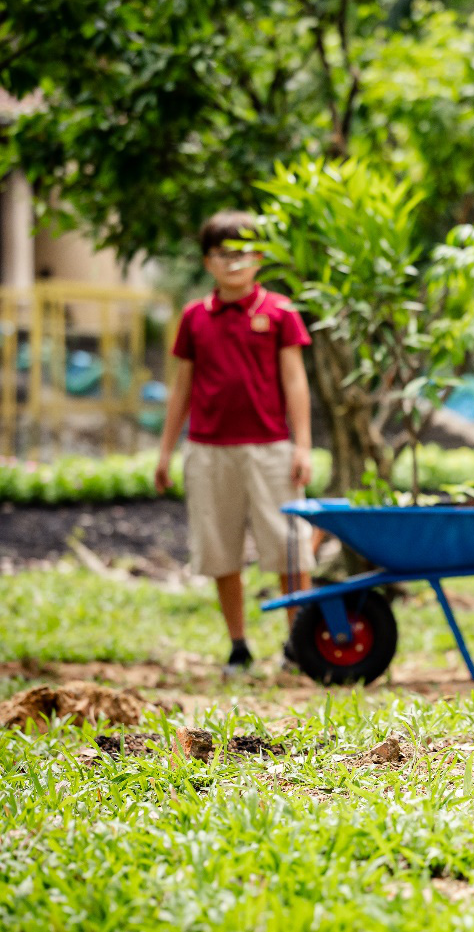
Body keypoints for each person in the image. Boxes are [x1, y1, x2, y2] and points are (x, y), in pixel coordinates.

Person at [154, 210, 316, 676]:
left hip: (271, 449)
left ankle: (298, 644)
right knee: (221, 550)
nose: (233, 262)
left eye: (243, 252)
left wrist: (302, 445)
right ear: (208, 262)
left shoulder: (280, 312)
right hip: (208, 451)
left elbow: (295, 381)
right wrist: (166, 451)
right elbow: (182, 387)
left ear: (260, 258)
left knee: (288, 549)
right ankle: (239, 646)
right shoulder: (194, 317)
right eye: (223, 254)